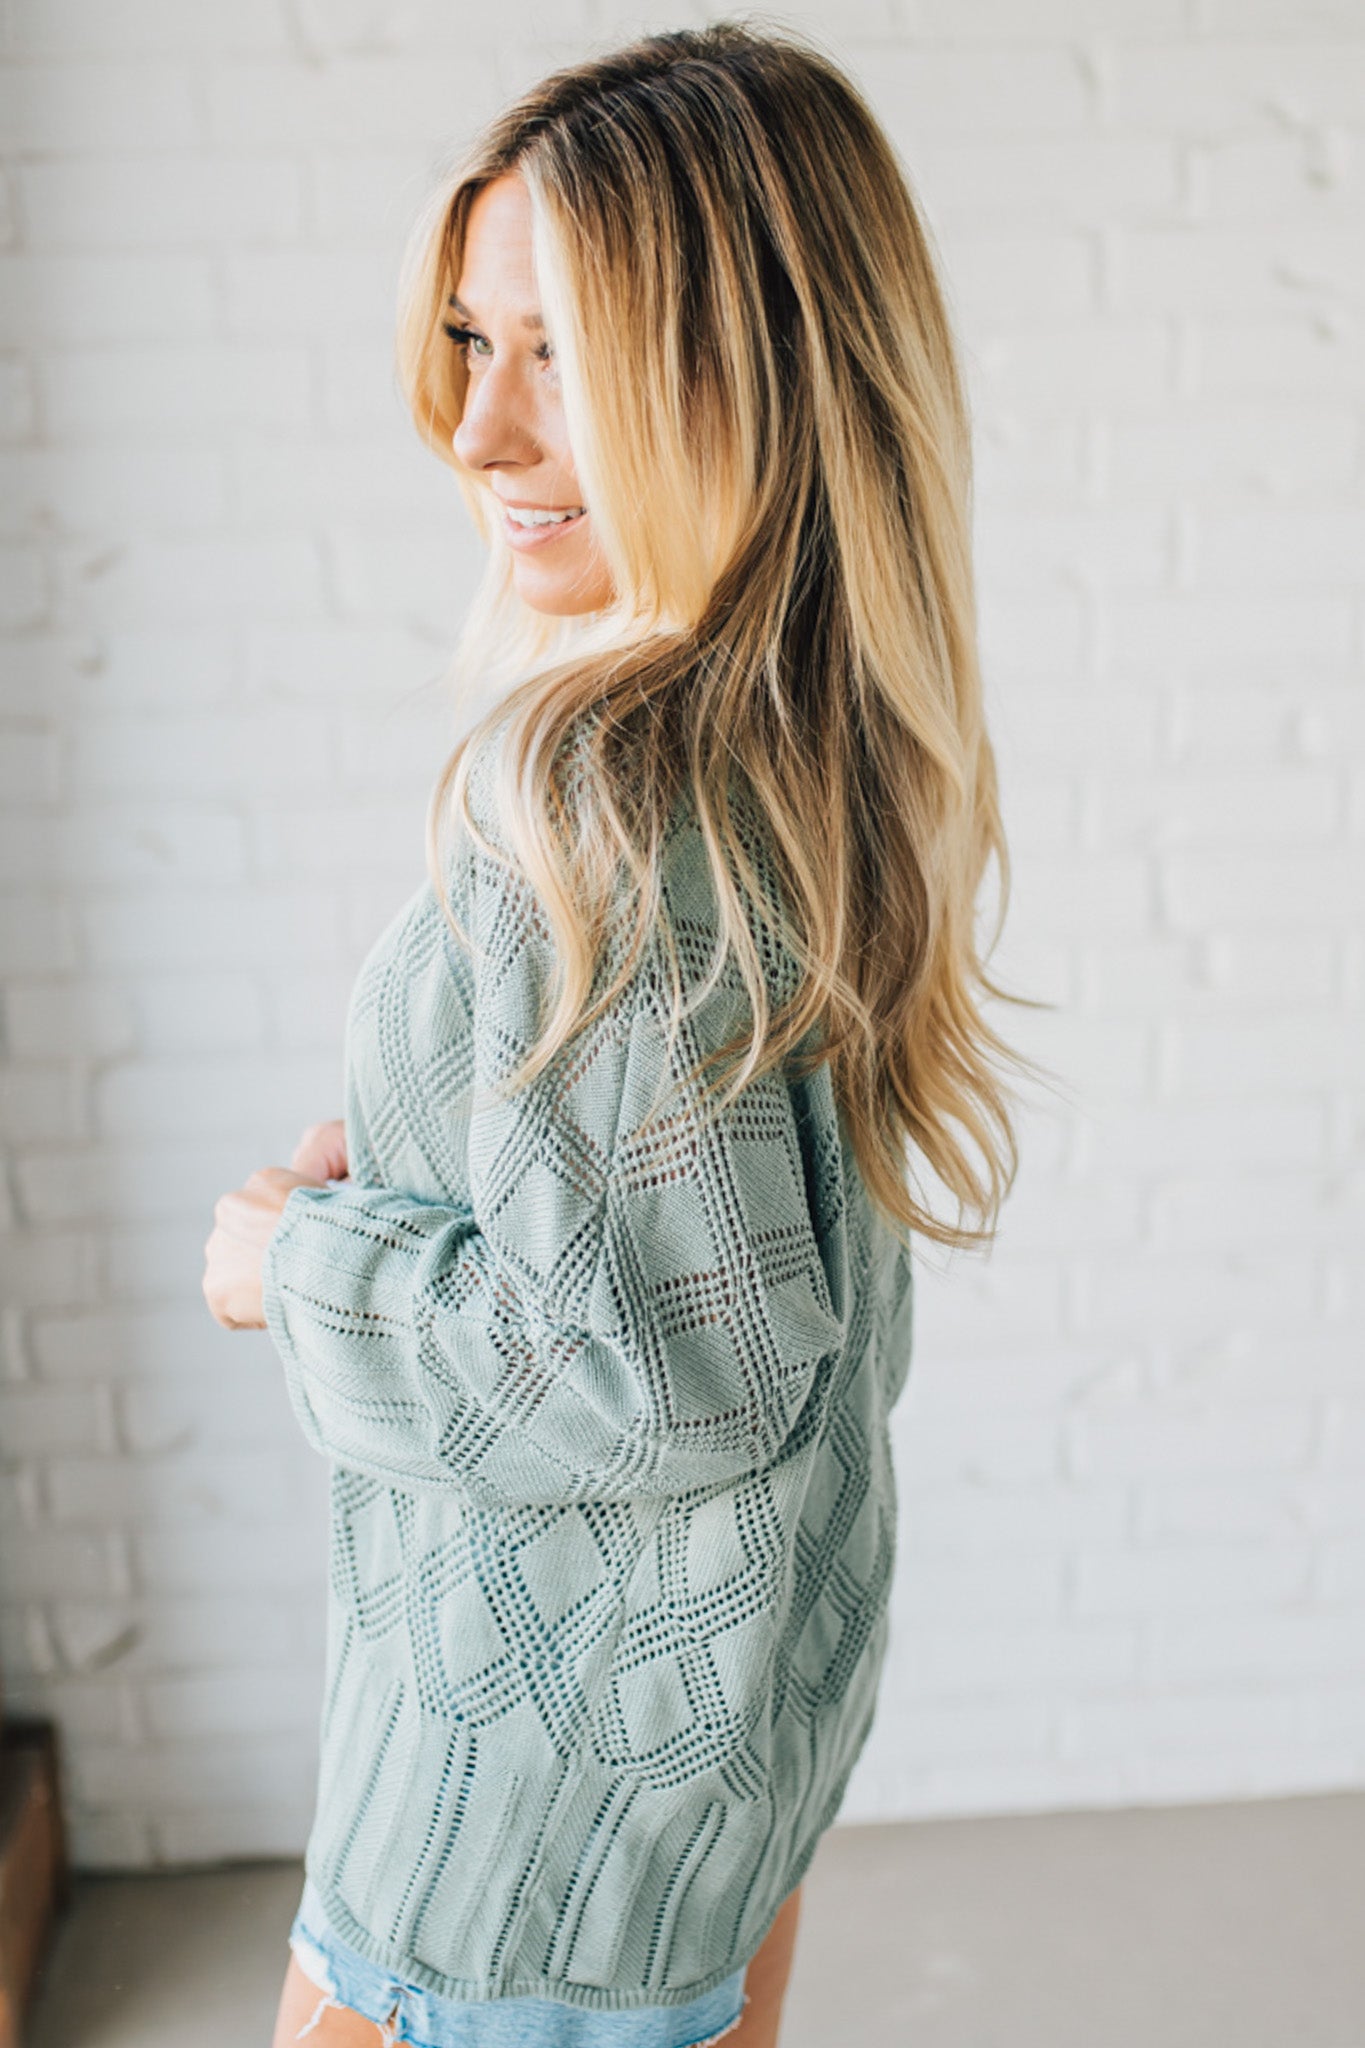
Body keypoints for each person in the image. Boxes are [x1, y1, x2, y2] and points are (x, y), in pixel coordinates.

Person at [202, 20, 1046, 2047]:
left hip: (508, 1828)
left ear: (750, 371)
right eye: (471, 341)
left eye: (556, 348)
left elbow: (658, 1366)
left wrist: (293, 1263)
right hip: (706, 1762)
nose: (479, 433)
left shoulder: (592, 796)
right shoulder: (806, 762)